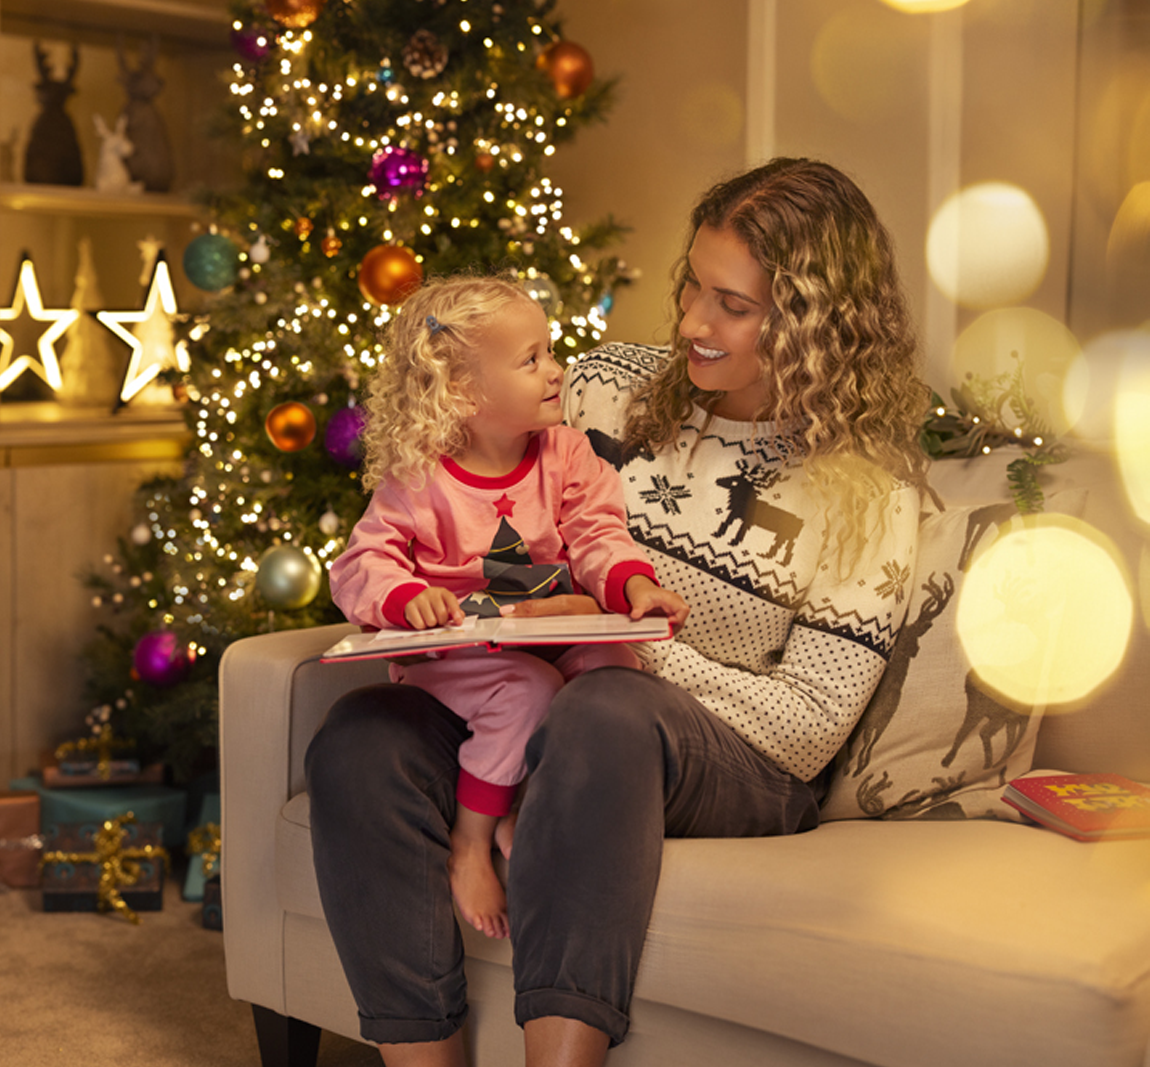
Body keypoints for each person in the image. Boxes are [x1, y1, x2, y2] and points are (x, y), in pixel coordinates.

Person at [306, 157, 929, 1067]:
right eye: (690, 286)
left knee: (605, 712)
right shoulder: (601, 392)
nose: (690, 324)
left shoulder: (870, 491)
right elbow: (454, 470)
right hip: (541, 684)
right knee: (362, 737)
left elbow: (807, 731)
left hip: (723, 750)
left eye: (732, 305)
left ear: (814, 326)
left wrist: (617, 638)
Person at [328, 275, 689, 940]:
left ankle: (541, 805)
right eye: (531, 359)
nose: (556, 371)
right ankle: (473, 839)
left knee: (615, 666)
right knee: (526, 690)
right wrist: (408, 596)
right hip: (461, 654)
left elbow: (599, 535)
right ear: (464, 392)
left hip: (552, 632)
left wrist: (634, 586)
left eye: (550, 351)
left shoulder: (568, 454)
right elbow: (358, 566)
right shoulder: (419, 479)